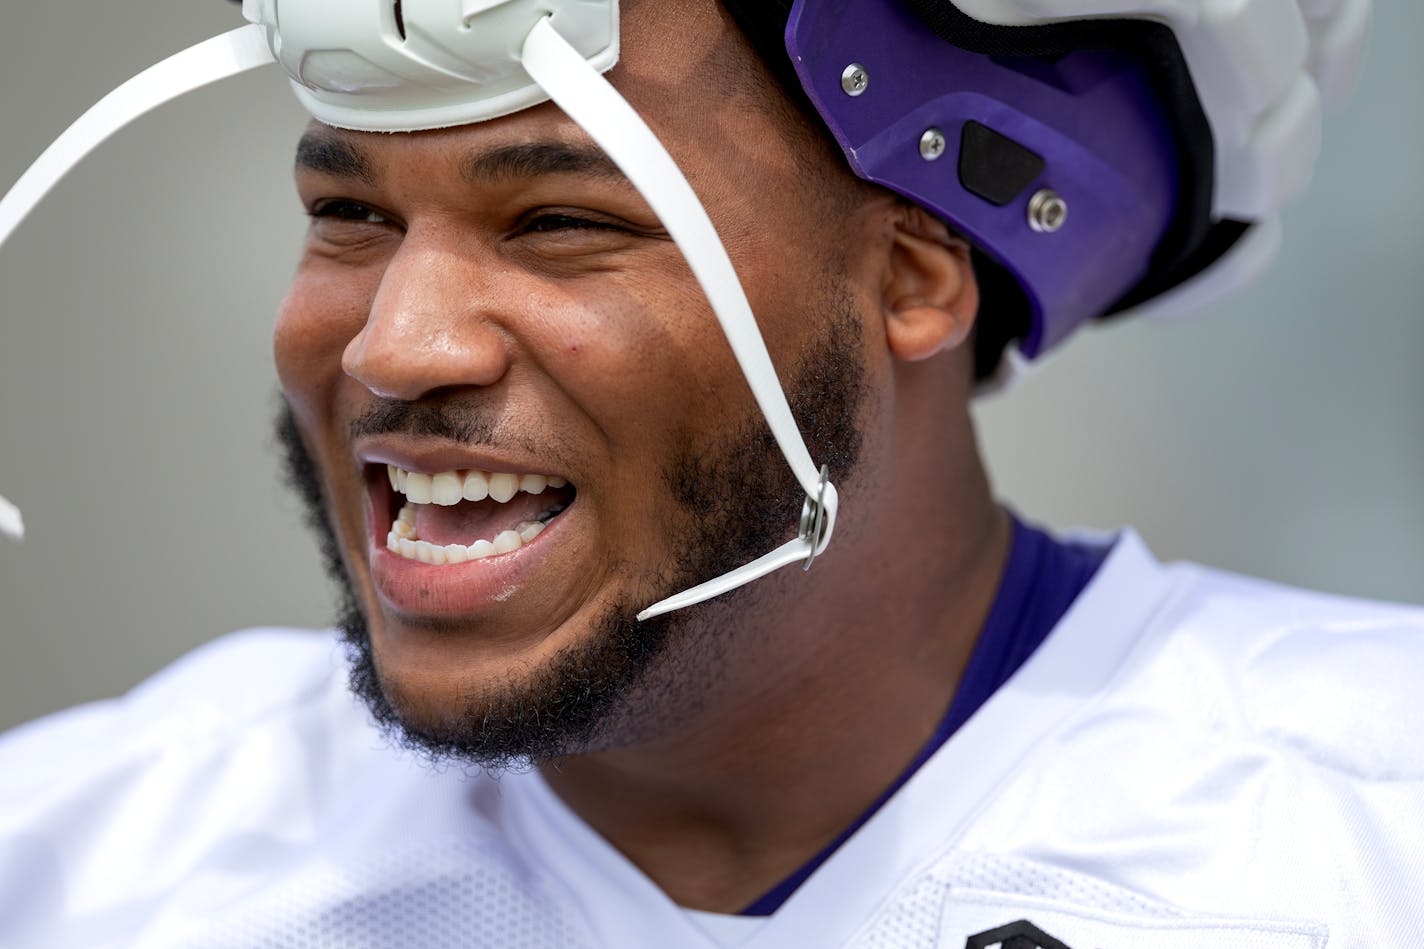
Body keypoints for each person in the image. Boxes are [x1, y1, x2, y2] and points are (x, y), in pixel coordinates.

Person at [1, 0, 1421, 946]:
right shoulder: (82, 866)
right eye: (349, 213)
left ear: (917, 279)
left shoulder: (1369, 831)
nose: (394, 344)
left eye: (559, 219)